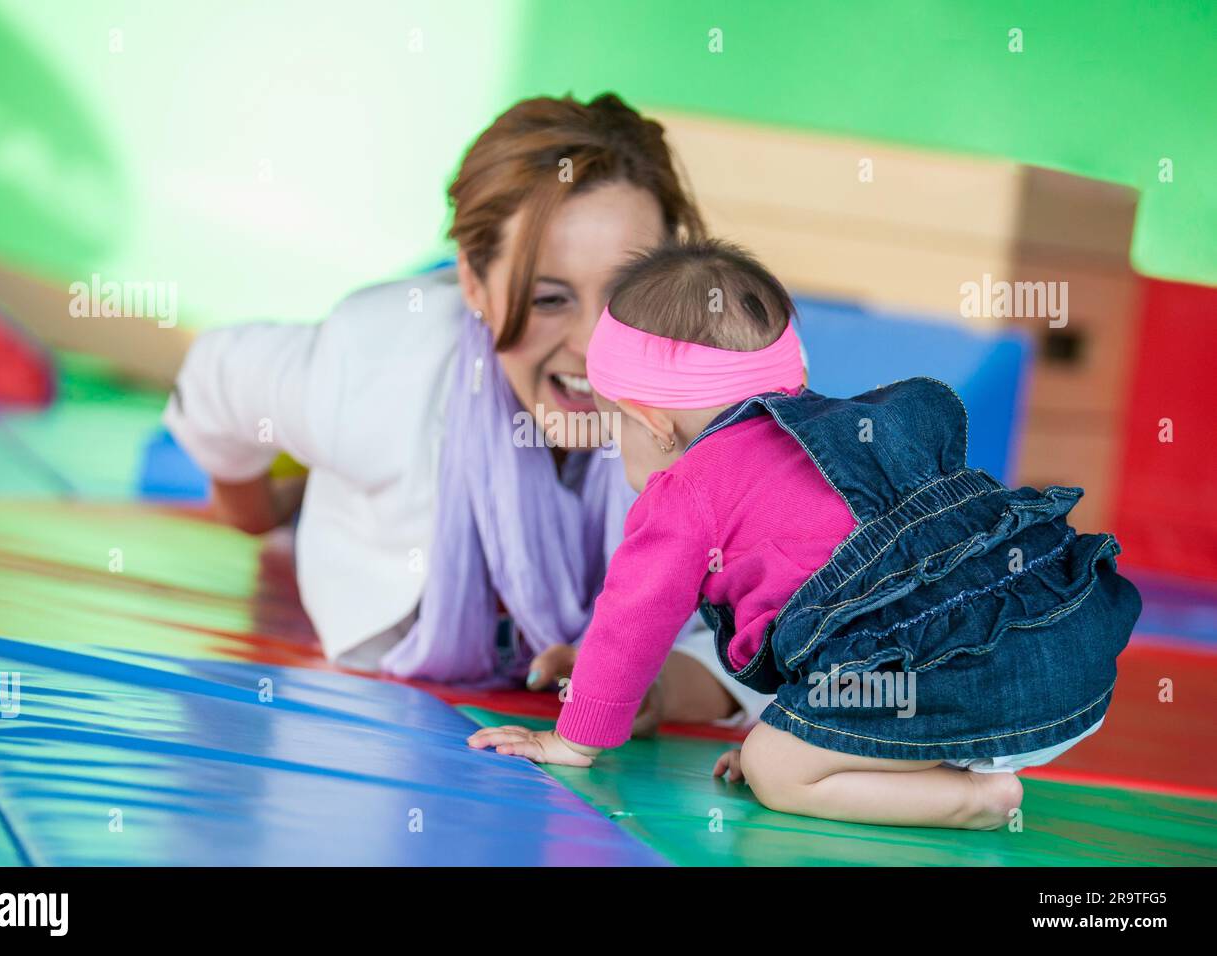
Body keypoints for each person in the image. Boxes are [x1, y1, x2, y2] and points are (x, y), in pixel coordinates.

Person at [469, 238, 1140, 829]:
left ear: (653, 423)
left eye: (616, 426)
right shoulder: (842, 431)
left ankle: (973, 798)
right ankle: (850, 753)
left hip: (965, 683)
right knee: (817, 696)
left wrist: (577, 739)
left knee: (774, 768)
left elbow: (633, 613)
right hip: (1066, 639)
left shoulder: (687, 489)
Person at [163, 94, 774, 731]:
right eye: (549, 298)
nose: (597, 349)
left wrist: (659, 685)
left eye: (632, 295)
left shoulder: (730, 383)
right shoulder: (369, 369)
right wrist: (252, 513)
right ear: (473, 285)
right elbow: (214, 375)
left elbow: (779, 624)